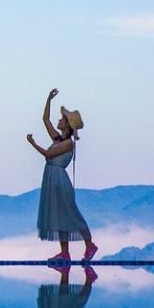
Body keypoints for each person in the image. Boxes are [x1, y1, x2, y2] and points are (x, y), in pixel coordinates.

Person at [26, 88, 97, 262]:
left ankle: (90, 245)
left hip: (59, 179)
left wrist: (33, 143)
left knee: (71, 213)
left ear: (67, 124)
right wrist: (49, 100)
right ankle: (64, 252)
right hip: (52, 178)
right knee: (60, 215)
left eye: (62, 119)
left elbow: (48, 155)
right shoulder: (58, 139)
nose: (59, 120)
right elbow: (45, 120)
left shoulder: (67, 144)